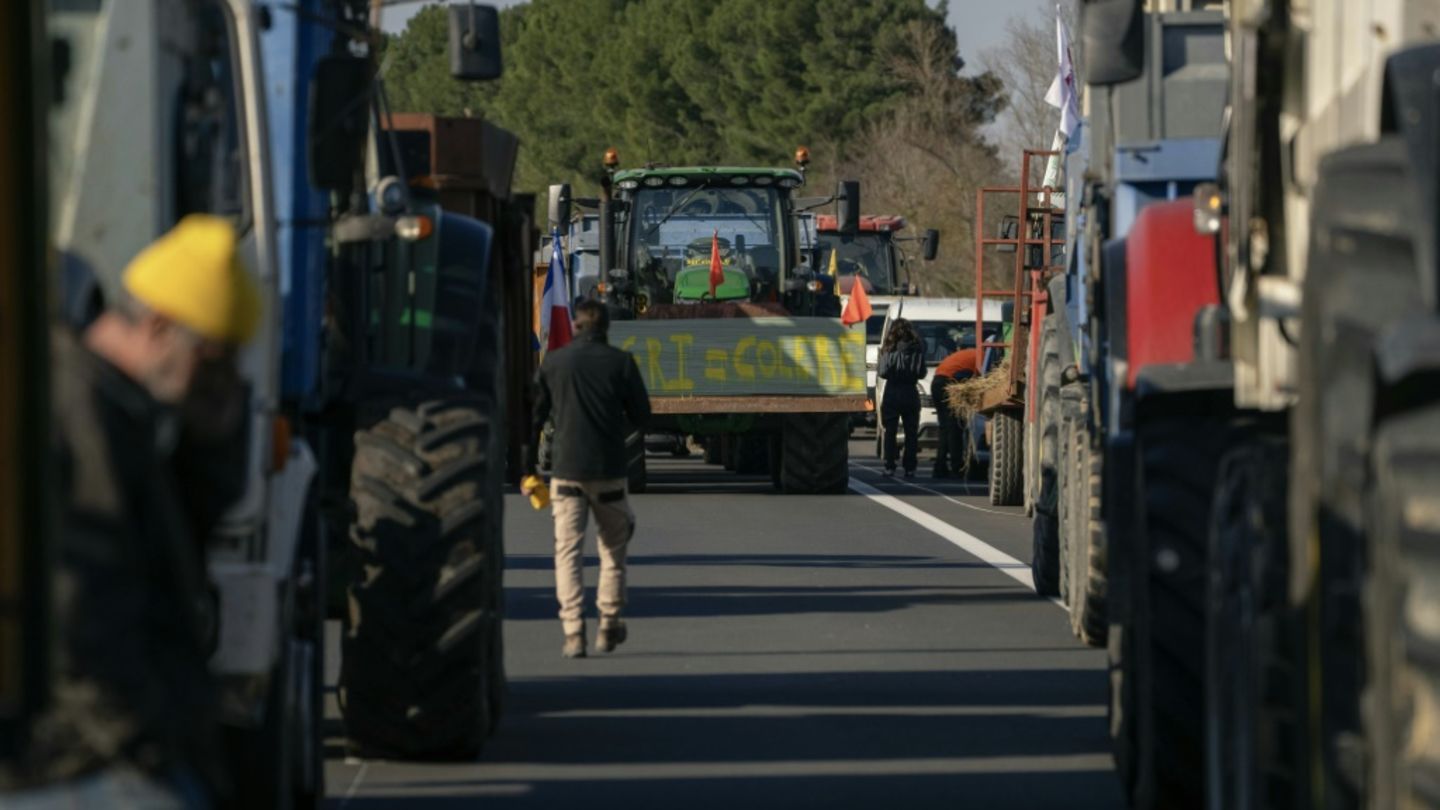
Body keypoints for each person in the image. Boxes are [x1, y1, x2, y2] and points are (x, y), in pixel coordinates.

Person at [17, 215, 260, 809]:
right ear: (157, 325)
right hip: (76, 767)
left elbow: (184, 542)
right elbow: (86, 617)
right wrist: (142, 749)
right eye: (214, 359)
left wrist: (213, 441)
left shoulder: (122, 407)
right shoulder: (78, 411)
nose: (222, 381)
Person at [531, 299, 651, 659]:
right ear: (607, 328)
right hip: (610, 473)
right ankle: (609, 621)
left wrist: (525, 465)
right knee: (612, 551)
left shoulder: (554, 363)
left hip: (566, 472)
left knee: (567, 552)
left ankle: (573, 632)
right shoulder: (621, 363)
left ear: (576, 326)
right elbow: (643, 417)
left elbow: (535, 416)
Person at [877, 317, 926, 479]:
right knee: (911, 433)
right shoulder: (916, 348)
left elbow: (882, 372)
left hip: (892, 391)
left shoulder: (889, 348)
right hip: (910, 392)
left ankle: (889, 466)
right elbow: (922, 373)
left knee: (890, 431)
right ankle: (910, 467)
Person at [930, 344, 980, 478]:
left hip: (937, 381)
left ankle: (940, 466)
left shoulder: (968, 354)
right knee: (954, 428)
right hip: (947, 383)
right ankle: (956, 466)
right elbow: (974, 378)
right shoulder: (980, 357)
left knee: (945, 428)